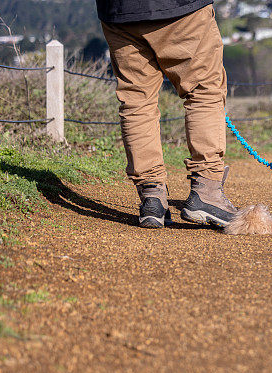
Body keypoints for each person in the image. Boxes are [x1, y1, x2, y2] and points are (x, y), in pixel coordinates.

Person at [95, 0, 238, 228]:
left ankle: (152, 197)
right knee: (204, 90)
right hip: (181, 9)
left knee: (136, 101)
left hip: (120, 12)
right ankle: (207, 190)